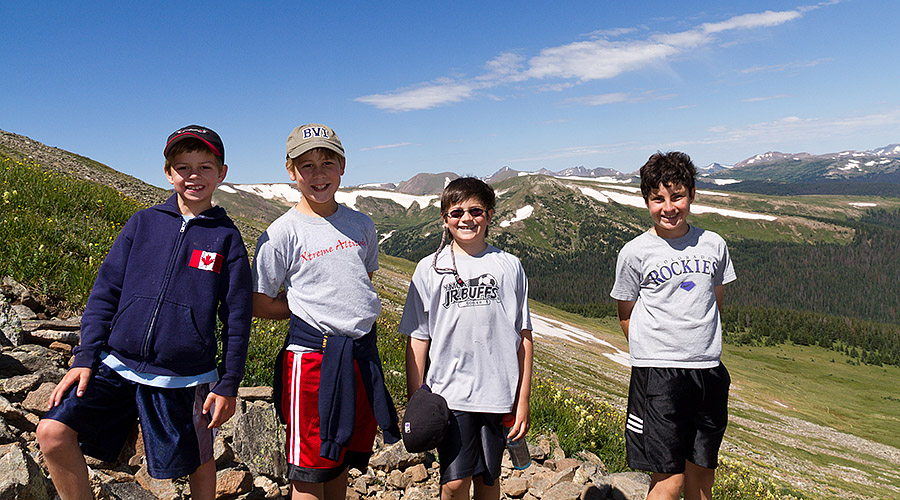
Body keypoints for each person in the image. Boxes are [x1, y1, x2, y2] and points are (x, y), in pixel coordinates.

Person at [36, 125, 252, 500]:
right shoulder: (143, 222)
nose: (194, 176)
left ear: (222, 173)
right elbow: (105, 292)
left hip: (183, 375)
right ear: (168, 172)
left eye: (205, 166)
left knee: (199, 461)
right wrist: (84, 357)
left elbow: (236, 316)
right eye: (183, 167)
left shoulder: (228, 239)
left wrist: (228, 382)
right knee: (52, 433)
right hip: (116, 362)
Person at [251, 123, 400, 500]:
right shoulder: (282, 233)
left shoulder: (361, 224)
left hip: (360, 354)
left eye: (327, 163)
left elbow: (361, 277)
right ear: (291, 171)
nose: (319, 174)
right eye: (307, 165)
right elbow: (260, 300)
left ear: (343, 166)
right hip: (312, 360)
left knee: (340, 457)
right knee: (310, 467)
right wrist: (301, 308)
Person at [610, 151, 736, 500]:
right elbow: (626, 311)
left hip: (708, 371)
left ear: (692, 194)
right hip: (659, 375)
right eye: (658, 199)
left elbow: (715, 299)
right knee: (670, 481)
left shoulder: (714, 244)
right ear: (647, 201)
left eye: (677, 196)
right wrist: (652, 351)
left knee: (702, 478)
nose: (669, 207)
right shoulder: (635, 252)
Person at [400, 177, 534, 500]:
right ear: (445, 219)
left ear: (489, 215)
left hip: (497, 394)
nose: (466, 218)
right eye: (456, 211)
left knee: (489, 479)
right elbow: (418, 339)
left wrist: (523, 398)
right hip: (449, 396)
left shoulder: (510, 266)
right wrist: (417, 399)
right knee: (455, 482)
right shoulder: (428, 269)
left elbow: (524, 337)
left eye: (476, 210)